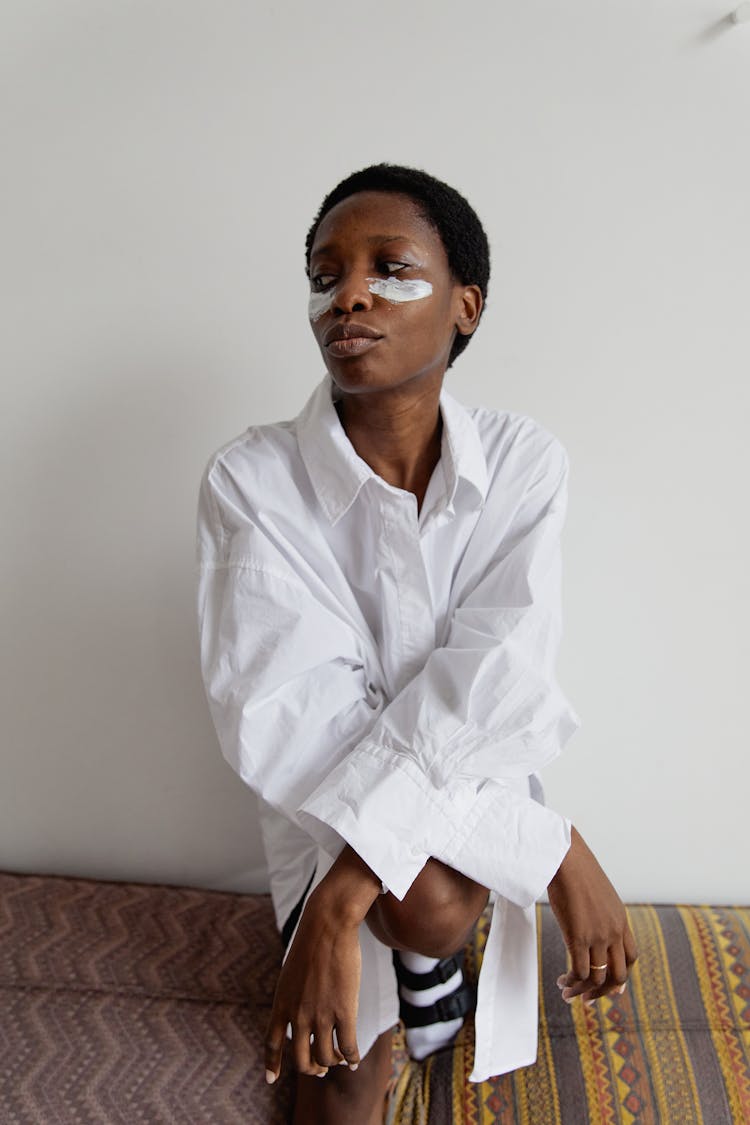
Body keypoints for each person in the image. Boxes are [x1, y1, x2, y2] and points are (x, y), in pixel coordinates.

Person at [196, 163, 637, 1125]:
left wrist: (343, 899)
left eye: (390, 269)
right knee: (403, 953)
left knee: (422, 902)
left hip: (458, 801)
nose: (347, 294)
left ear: (465, 306)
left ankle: (425, 962)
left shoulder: (523, 463)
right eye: (325, 274)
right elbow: (287, 718)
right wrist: (550, 848)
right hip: (330, 809)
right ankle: (424, 973)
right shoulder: (251, 479)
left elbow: (499, 680)